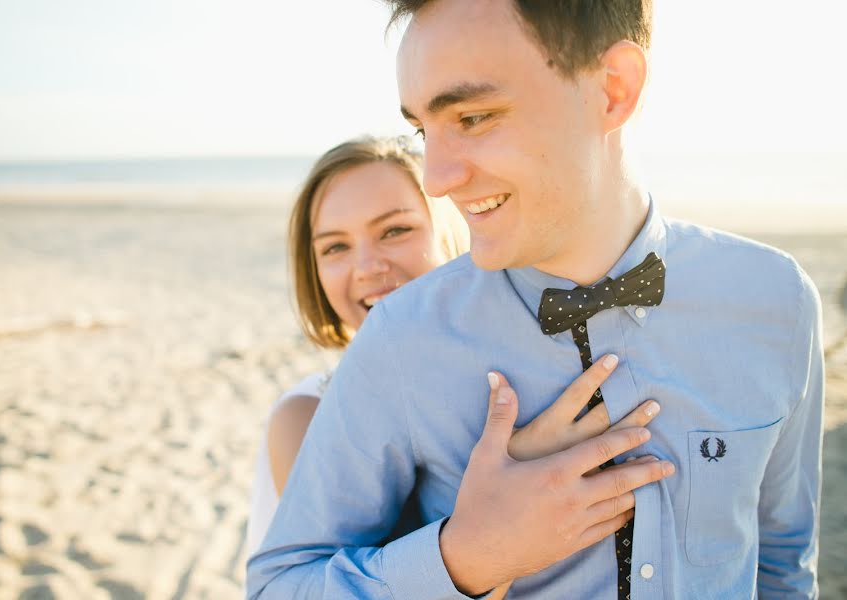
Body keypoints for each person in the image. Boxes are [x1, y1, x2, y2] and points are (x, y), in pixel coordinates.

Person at [248, 0, 824, 593]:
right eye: (424, 130)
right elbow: (279, 585)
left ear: (613, 91)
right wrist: (466, 557)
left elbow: (781, 566)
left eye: (472, 118)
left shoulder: (777, 302)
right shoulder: (402, 337)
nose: (438, 178)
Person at [246, 136, 662, 580]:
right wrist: (503, 511)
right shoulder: (308, 415)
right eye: (335, 247)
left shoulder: (516, 385)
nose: (367, 265)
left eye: (395, 231)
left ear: (454, 231)